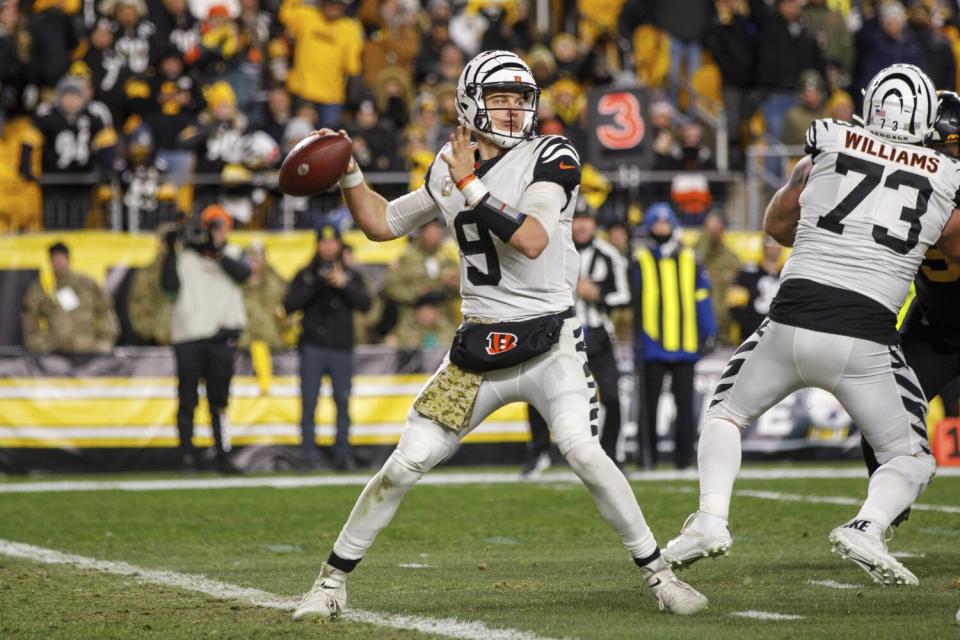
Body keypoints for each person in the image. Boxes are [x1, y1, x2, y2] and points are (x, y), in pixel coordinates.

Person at [293, 50, 708, 622]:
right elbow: (380, 223)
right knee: (403, 465)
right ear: (469, 102)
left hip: (549, 341)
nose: (513, 111)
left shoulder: (551, 153)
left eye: (520, 99)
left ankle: (659, 576)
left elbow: (534, 239)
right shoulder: (445, 165)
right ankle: (330, 583)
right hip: (478, 349)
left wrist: (468, 182)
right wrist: (350, 173)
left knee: (585, 453)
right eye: (500, 99)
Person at [664, 65, 960, 587]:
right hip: (866, 335)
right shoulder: (945, 175)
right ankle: (868, 526)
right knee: (909, 457)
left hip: (791, 315)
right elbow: (951, 249)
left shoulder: (828, 141)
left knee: (726, 413)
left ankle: (710, 520)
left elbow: (776, 226)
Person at [861, 90, 960, 526]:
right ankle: (886, 513)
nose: (945, 161)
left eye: (951, 151)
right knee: (878, 411)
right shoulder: (903, 183)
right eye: (940, 150)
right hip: (935, 326)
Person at [524, 197, 631, 471]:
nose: (582, 225)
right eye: (577, 219)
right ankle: (539, 453)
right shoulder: (551, 249)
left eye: (587, 219)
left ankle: (610, 456)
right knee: (538, 393)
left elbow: (624, 296)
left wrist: (597, 295)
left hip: (596, 333)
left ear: (594, 223)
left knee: (612, 397)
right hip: (558, 333)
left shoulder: (607, 254)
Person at [162, 205, 250, 473]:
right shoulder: (184, 257)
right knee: (187, 399)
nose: (212, 232)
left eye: (217, 226)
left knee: (220, 401)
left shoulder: (232, 254)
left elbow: (243, 274)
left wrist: (217, 252)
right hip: (189, 337)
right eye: (208, 227)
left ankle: (223, 453)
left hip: (221, 337)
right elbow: (168, 287)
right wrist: (171, 249)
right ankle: (186, 454)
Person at [631, 203, 716, 469]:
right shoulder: (640, 259)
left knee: (685, 407)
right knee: (648, 405)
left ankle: (684, 459)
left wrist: (709, 331)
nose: (661, 227)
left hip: (685, 343)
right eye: (657, 223)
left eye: (665, 223)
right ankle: (647, 458)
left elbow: (702, 297)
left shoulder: (690, 258)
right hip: (651, 343)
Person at [284, 222, 371, 471]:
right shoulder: (306, 274)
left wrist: (344, 285)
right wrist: (317, 285)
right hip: (313, 347)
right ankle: (307, 456)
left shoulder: (352, 275)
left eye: (333, 242)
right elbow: (290, 304)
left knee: (342, 403)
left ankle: (342, 454)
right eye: (324, 242)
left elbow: (366, 304)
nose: (329, 246)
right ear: (318, 244)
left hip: (341, 348)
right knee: (309, 403)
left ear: (340, 245)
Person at [22, 241, 119, 354]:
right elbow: (29, 317)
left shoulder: (86, 284)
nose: (59, 263)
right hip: (56, 354)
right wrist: (40, 344)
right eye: (55, 259)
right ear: (50, 262)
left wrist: (105, 342)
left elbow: (106, 311)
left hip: (89, 352)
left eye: (61, 258)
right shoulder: (44, 288)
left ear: (68, 259)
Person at [727, 235, 782, 342]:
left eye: (777, 243)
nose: (774, 247)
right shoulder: (748, 272)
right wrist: (749, 327)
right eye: (770, 243)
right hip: (751, 335)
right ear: (763, 246)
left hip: (779, 337)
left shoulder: (787, 273)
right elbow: (734, 304)